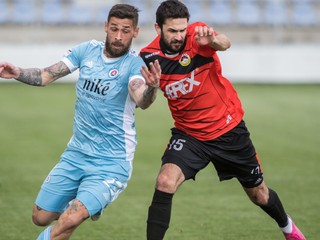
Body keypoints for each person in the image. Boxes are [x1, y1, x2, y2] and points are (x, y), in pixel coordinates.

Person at [139, 1, 306, 239]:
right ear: (158, 28)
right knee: (165, 181)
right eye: (172, 31)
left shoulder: (197, 36)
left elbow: (225, 43)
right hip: (190, 136)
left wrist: (213, 42)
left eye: (181, 30)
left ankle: (288, 228)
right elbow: (144, 100)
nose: (179, 36)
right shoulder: (147, 57)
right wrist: (152, 87)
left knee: (259, 194)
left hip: (228, 129)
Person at [0, 4, 161, 240]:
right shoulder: (87, 50)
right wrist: (17, 73)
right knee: (41, 217)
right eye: (114, 28)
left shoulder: (134, 66)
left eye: (125, 31)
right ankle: (89, 206)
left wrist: (152, 88)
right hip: (76, 153)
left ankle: (87, 204)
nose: (118, 36)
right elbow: (46, 75)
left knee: (69, 220)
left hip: (111, 162)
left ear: (135, 32)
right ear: (105, 26)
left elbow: (141, 98)